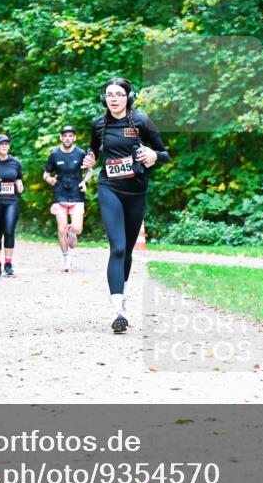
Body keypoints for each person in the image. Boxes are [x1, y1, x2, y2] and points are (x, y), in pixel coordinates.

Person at [82, 78, 169, 333]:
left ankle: (122, 295)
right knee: (117, 247)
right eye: (109, 94)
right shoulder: (99, 124)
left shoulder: (141, 121)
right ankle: (117, 310)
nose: (114, 99)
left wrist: (153, 155)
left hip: (136, 191)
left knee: (128, 250)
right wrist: (89, 159)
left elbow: (165, 154)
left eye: (119, 94)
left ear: (128, 97)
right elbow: (92, 150)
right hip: (109, 187)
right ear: (104, 98)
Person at [44, 125, 90, 272]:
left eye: (70, 136)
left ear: (74, 138)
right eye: (65, 136)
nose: (68, 138)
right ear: (61, 138)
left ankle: (73, 232)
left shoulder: (81, 153)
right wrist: (49, 179)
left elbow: (90, 171)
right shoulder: (54, 154)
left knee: (78, 228)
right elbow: (46, 173)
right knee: (61, 228)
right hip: (60, 195)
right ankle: (66, 260)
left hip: (77, 195)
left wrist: (84, 182)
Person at [0, 134, 24, 276]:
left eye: (6, 144)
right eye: (1, 144)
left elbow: (18, 178)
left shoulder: (15, 162)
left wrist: (20, 185)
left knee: (9, 230)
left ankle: (8, 264)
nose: (4, 146)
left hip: (11, 201)